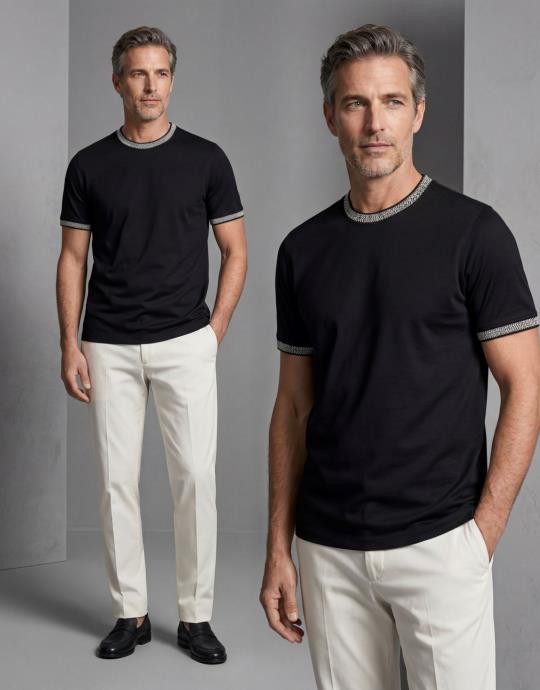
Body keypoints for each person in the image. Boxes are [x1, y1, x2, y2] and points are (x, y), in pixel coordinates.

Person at [259, 22, 540, 690]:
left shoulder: (475, 234)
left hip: (441, 545)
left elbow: (525, 386)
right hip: (328, 549)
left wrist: (481, 536)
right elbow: (293, 406)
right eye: (355, 103)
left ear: (418, 112)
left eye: (391, 101)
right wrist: (279, 547)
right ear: (330, 116)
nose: (374, 123)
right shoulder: (302, 250)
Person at [56, 26, 247, 662]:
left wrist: (215, 329)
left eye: (160, 73)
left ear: (172, 79)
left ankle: (196, 618)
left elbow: (236, 251)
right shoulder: (88, 165)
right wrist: (69, 343)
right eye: (138, 73)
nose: (150, 86)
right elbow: (72, 259)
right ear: (117, 81)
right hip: (107, 344)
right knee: (116, 483)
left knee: (195, 479)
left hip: (185, 340)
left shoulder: (207, 159)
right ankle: (130, 613)